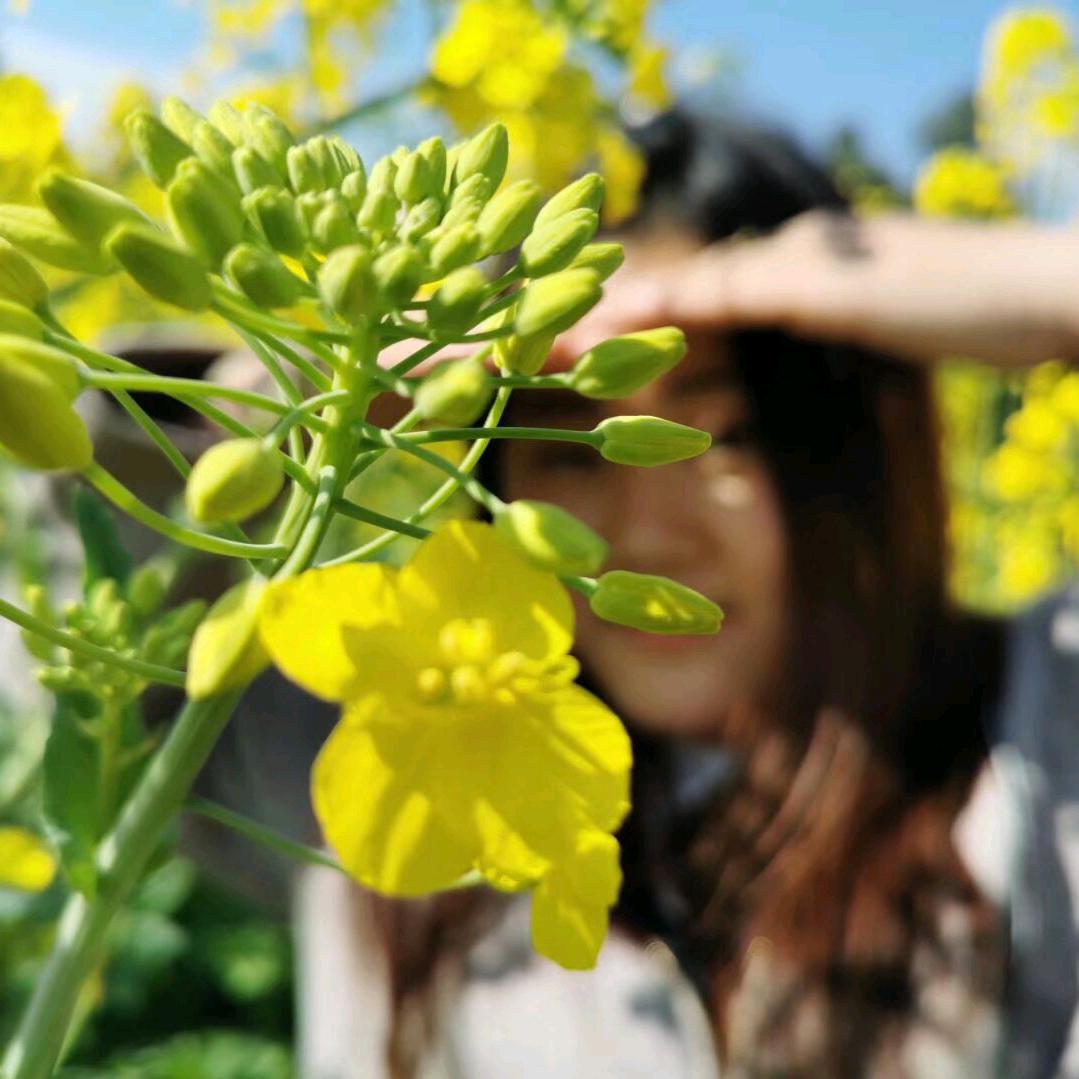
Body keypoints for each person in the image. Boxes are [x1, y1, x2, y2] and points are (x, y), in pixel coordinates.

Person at [294, 111, 1079, 1078]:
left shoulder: (1043, 737)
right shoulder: (390, 777)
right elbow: (120, 647)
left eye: (733, 432)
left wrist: (778, 280)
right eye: (565, 446)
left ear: (852, 456)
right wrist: (321, 392)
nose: (652, 533)